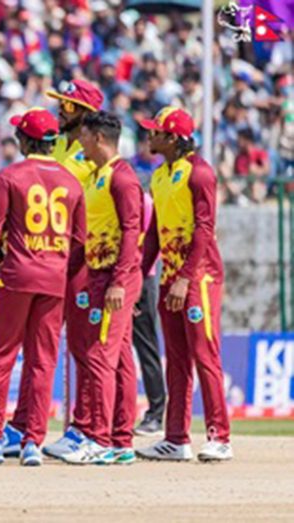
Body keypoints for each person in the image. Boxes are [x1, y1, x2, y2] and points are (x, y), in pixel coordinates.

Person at [0, 108, 86, 466]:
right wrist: (57, 264)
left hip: (17, 275)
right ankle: (33, 442)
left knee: (0, 358)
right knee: (42, 362)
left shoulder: (10, 176)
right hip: (54, 278)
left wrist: (2, 258)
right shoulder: (71, 181)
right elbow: (79, 239)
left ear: (25, 141)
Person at [5, 79, 105, 459]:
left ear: (84, 112)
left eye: (67, 105)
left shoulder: (89, 155)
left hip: (79, 261)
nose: (61, 110)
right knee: (37, 348)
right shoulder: (60, 145)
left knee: (82, 347)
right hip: (48, 259)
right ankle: (22, 426)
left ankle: (87, 428)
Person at [137, 107, 232, 462]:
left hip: (200, 278)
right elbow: (153, 236)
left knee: (205, 355)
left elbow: (205, 229)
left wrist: (186, 278)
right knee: (175, 359)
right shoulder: (160, 176)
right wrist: (139, 274)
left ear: (173, 138)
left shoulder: (201, 173)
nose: (150, 136)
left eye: (156, 131)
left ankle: (220, 436)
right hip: (169, 277)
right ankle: (176, 438)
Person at [60, 111, 144, 465]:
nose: (79, 142)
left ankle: (101, 438)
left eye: (83, 136)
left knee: (100, 356)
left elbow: (132, 231)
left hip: (112, 278)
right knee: (117, 357)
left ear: (97, 137)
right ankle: (120, 440)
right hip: (101, 275)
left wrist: (121, 282)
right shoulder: (100, 175)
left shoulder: (122, 179)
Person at [133, 191, 165, 437]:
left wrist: (137, 280)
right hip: (122, 275)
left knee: (146, 346)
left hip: (143, 277)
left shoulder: (143, 201)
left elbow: (146, 242)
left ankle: (156, 413)